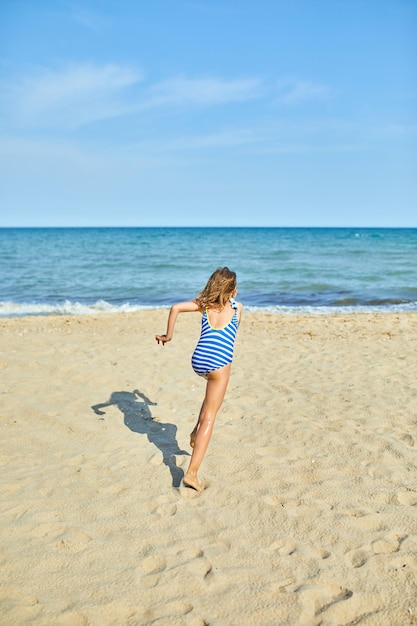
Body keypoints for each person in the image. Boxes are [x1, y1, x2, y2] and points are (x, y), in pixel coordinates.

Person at [156, 267, 243, 492]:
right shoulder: (237, 307)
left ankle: (196, 431)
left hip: (198, 360)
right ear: (232, 290)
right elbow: (232, 335)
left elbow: (175, 307)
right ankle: (192, 473)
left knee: (209, 400)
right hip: (219, 363)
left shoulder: (203, 305)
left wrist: (168, 336)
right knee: (210, 417)